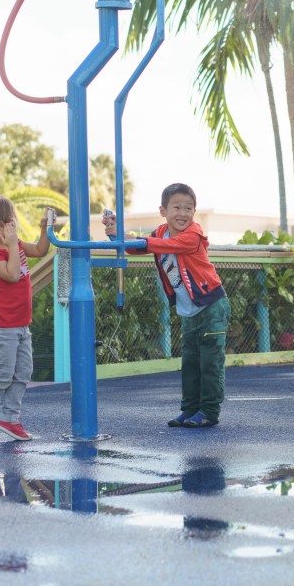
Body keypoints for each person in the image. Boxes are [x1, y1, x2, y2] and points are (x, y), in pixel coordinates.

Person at [103, 183, 230, 428]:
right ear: (163, 211)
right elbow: (136, 248)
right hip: (191, 310)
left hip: (212, 306)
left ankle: (209, 411)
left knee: (210, 363)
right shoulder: (160, 232)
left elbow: (163, 246)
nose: (183, 213)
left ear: (194, 212)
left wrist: (129, 237)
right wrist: (115, 234)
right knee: (190, 362)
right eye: (176, 208)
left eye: (188, 208)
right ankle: (190, 408)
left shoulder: (193, 235)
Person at [0, 178, 54, 442]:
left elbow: (40, 249)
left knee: (23, 372)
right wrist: (12, 245)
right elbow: (11, 274)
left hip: (21, 324)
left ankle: (9, 418)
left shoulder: (13, 245)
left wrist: (44, 230)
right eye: (4, 220)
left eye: (11, 220)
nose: (10, 225)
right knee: (3, 374)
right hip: (1, 326)